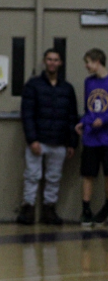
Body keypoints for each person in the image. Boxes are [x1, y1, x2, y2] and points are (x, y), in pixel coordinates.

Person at [17, 48, 79, 225]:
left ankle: (49, 210)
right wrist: (32, 139)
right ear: (44, 62)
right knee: (32, 175)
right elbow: (27, 114)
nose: (52, 63)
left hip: (59, 142)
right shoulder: (33, 85)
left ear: (60, 63)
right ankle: (27, 209)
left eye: (56, 60)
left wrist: (72, 143)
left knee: (54, 177)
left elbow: (72, 117)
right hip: (38, 141)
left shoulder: (67, 89)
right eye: (49, 59)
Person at [75, 48, 108, 226]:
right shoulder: (88, 82)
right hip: (91, 137)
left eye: (88, 62)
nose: (86, 66)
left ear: (98, 61)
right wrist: (83, 122)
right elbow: (88, 109)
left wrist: (104, 120)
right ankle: (86, 209)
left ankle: (107, 206)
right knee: (88, 174)